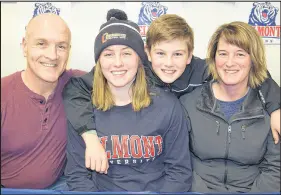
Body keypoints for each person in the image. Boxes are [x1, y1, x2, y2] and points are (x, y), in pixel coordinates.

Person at [62, 12, 280, 173]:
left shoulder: (203, 69)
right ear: (146, 53)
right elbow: (75, 88)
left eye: (177, 54)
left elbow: (252, 73)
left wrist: (276, 106)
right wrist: (90, 138)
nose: (168, 63)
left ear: (189, 56)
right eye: (160, 53)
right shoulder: (132, 69)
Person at [64, 9, 192, 192]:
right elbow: (77, 176)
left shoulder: (168, 106)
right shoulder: (82, 111)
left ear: (140, 59)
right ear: (99, 61)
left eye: (126, 53)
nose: (117, 63)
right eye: (108, 54)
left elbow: (179, 173)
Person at [180, 21, 280, 193]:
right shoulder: (188, 104)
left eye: (240, 54)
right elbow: (180, 161)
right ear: (213, 58)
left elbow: (275, 168)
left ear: (253, 59)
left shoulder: (271, 109)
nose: (229, 63)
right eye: (223, 54)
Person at [1, 13, 84, 190]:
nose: (52, 55)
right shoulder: (3, 93)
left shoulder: (77, 84)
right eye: (41, 44)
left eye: (61, 46)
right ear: (24, 46)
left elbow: (119, 71)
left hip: (59, 186)